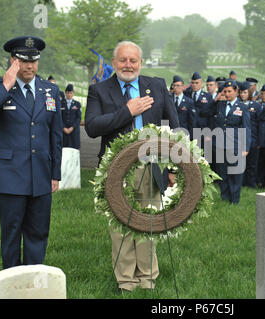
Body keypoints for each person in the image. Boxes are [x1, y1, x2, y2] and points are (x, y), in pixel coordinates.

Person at [85, 40, 179, 292]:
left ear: (140, 62)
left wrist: (174, 167)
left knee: (149, 223)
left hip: (151, 167)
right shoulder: (99, 90)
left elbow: (176, 127)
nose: (128, 65)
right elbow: (92, 127)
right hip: (116, 168)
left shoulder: (156, 86)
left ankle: (148, 279)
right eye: (123, 60)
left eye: (133, 60)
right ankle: (126, 281)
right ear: (114, 63)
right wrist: (127, 111)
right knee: (120, 226)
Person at [0, 36, 63, 269]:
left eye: (34, 61)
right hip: (9, 175)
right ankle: (11, 284)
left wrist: (55, 174)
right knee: (11, 233)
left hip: (41, 174)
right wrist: (6, 85)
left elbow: (55, 136)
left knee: (38, 232)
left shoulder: (50, 90)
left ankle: (33, 282)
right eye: (24, 61)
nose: (30, 66)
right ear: (13, 61)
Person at [204, 79, 251, 204]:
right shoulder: (220, 105)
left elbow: (246, 128)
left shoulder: (242, 107)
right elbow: (206, 112)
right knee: (222, 174)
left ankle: (234, 200)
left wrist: (245, 147)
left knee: (235, 174)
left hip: (235, 145)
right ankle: (225, 197)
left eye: (230, 91)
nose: (227, 94)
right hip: (219, 145)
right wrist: (215, 100)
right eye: (225, 91)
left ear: (236, 92)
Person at [239, 81, 261, 188]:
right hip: (239, 138)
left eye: (245, 92)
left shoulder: (256, 105)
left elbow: (259, 123)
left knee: (252, 163)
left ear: (249, 93)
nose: (243, 95)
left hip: (253, 138)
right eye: (241, 92)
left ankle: (251, 183)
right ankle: (241, 182)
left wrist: (259, 140)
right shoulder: (237, 105)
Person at [61, 84, 82, 149]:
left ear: (73, 93)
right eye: (67, 93)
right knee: (63, 150)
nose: (69, 95)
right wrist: (63, 128)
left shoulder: (77, 104)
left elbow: (78, 118)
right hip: (63, 131)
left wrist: (72, 127)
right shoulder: (60, 103)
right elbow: (58, 117)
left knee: (74, 150)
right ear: (65, 93)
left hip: (74, 131)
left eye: (70, 93)